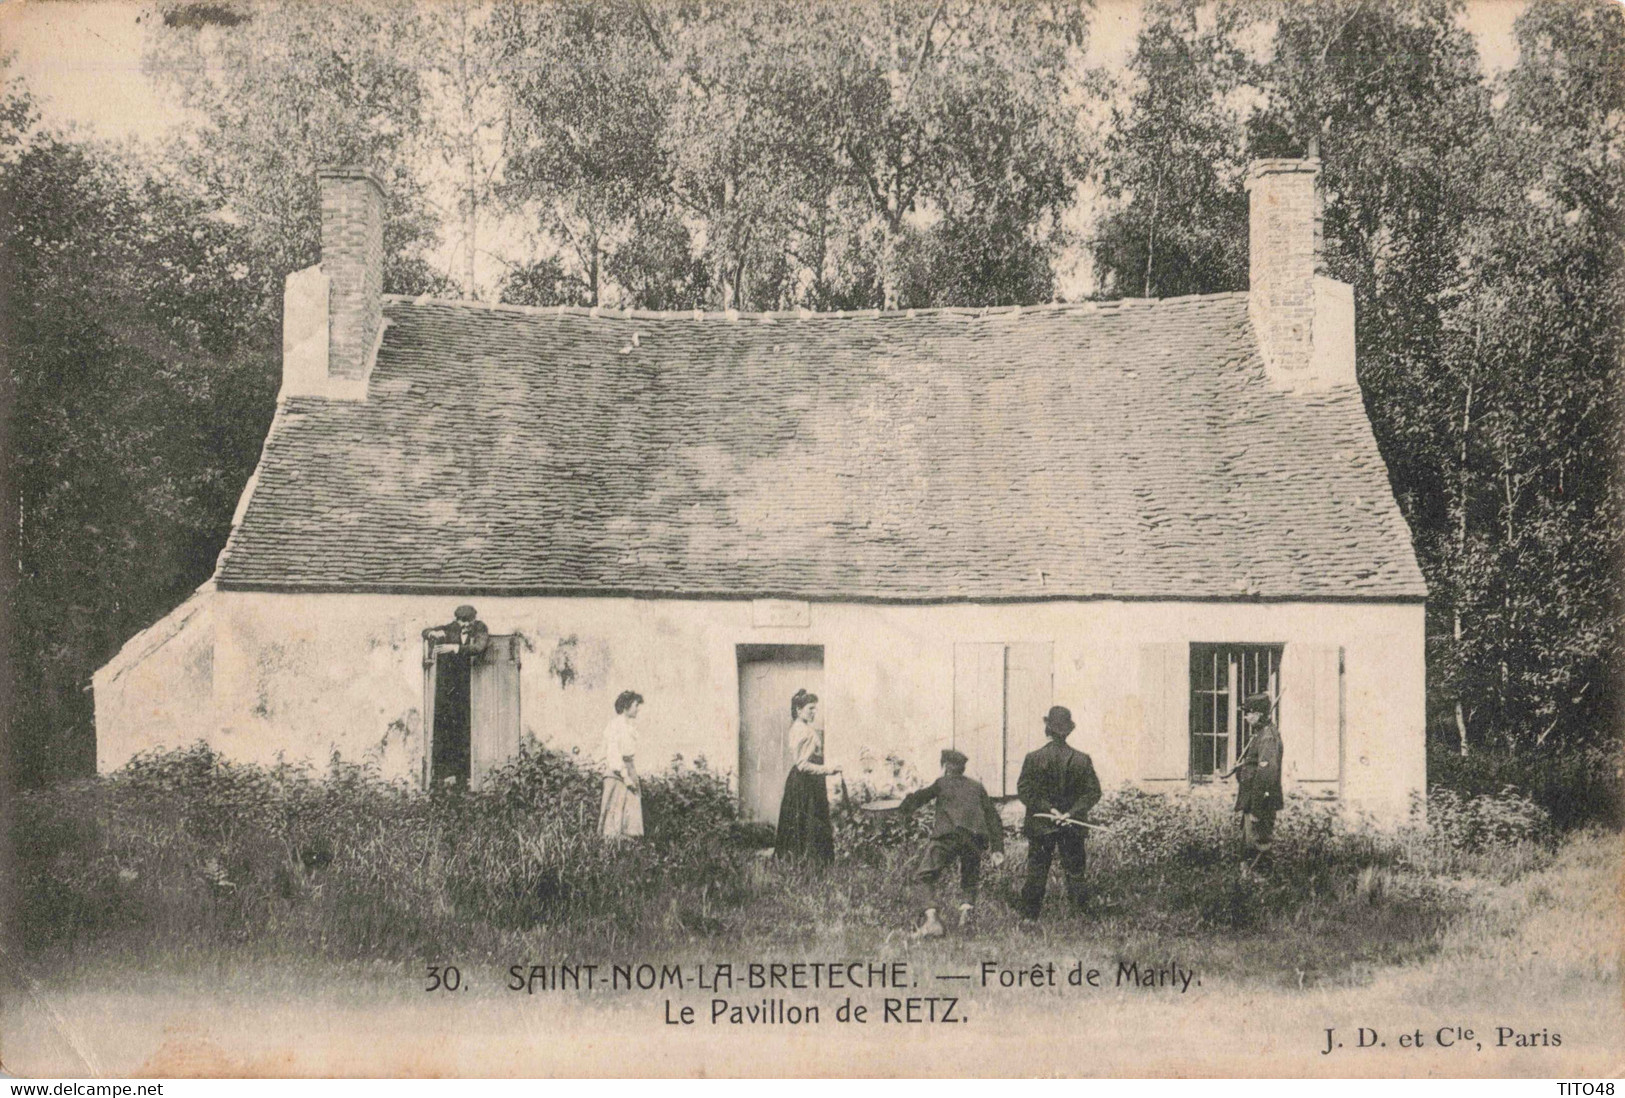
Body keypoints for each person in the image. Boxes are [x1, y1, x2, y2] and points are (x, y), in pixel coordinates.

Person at [898, 748, 1006, 937]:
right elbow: (993, 818)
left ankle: (932, 922)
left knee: (923, 876)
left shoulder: (941, 783)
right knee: (970, 879)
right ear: (963, 768)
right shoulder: (977, 786)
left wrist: (904, 806)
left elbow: (918, 799)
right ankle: (966, 917)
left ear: (945, 766)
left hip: (948, 836)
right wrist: (997, 848)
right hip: (974, 838)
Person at [1015, 705, 1102, 920]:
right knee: (1075, 871)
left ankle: (1029, 916)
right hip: (1072, 825)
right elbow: (1093, 792)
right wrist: (1070, 814)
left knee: (1037, 870)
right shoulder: (1082, 760)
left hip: (1042, 825)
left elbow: (1025, 791)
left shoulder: (1033, 758)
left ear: (1048, 729)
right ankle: (1080, 916)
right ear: (1069, 730)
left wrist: (1049, 810)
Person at [421, 605, 491, 789]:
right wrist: (431, 634)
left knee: (468, 731)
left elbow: (479, 647)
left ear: (473, 620)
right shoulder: (451, 628)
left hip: (472, 687)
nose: (464, 624)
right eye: (461, 621)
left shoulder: (481, 628)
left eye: (467, 621)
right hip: (451, 689)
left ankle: (466, 777)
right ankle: (444, 776)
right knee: (449, 732)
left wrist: (456, 648)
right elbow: (426, 631)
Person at [773, 689, 840, 863]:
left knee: (808, 824)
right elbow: (802, 765)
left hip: (808, 782)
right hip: (806, 783)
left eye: (814, 708)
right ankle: (807, 864)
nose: (813, 712)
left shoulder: (802, 728)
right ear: (798, 710)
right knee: (807, 823)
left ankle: (808, 863)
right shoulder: (802, 731)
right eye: (810, 708)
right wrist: (829, 770)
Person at [1223, 692, 1283, 871]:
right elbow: (1255, 768)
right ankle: (1248, 885)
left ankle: (1261, 889)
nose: (1246, 717)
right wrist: (1243, 767)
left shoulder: (1267, 737)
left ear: (1258, 714)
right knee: (1248, 846)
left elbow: (1266, 777)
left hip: (1260, 803)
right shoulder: (1260, 735)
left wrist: (1258, 808)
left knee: (1258, 846)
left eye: (1249, 713)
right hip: (1251, 801)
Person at [599, 690, 646, 841]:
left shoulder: (629, 727)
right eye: (635, 705)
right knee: (614, 812)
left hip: (628, 769)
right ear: (626, 707)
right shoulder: (615, 725)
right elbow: (613, 754)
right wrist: (625, 777)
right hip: (618, 773)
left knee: (629, 812)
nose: (638, 709)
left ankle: (626, 847)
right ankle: (611, 848)